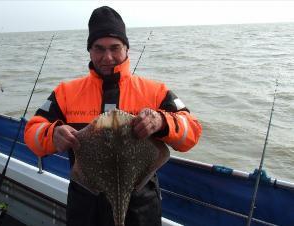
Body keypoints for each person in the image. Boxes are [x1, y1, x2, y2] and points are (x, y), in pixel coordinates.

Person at [24, 6, 202, 226]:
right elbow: (32, 132)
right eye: (99, 48)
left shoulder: (155, 91)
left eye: (115, 48)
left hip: (141, 208)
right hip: (86, 207)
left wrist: (162, 121)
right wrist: (51, 134)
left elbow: (192, 132)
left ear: (127, 48)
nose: (107, 57)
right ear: (89, 50)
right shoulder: (66, 92)